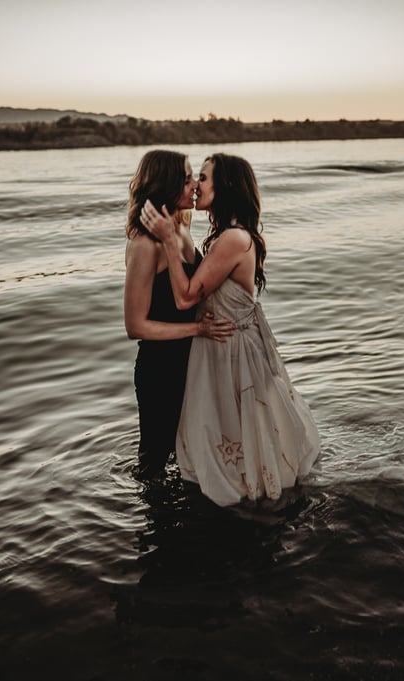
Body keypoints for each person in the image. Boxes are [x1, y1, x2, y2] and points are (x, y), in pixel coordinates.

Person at [142, 153, 320, 506]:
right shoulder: (224, 235)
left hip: (232, 349)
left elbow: (185, 298)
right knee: (233, 427)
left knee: (237, 427)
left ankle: (245, 496)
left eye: (204, 178)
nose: (196, 186)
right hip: (224, 342)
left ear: (224, 187)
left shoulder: (233, 239)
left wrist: (166, 239)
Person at [124, 150, 234, 480]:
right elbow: (135, 326)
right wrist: (197, 330)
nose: (194, 187)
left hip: (191, 361)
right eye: (186, 180)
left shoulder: (179, 230)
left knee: (189, 456)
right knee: (154, 465)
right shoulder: (146, 245)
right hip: (160, 369)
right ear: (167, 184)